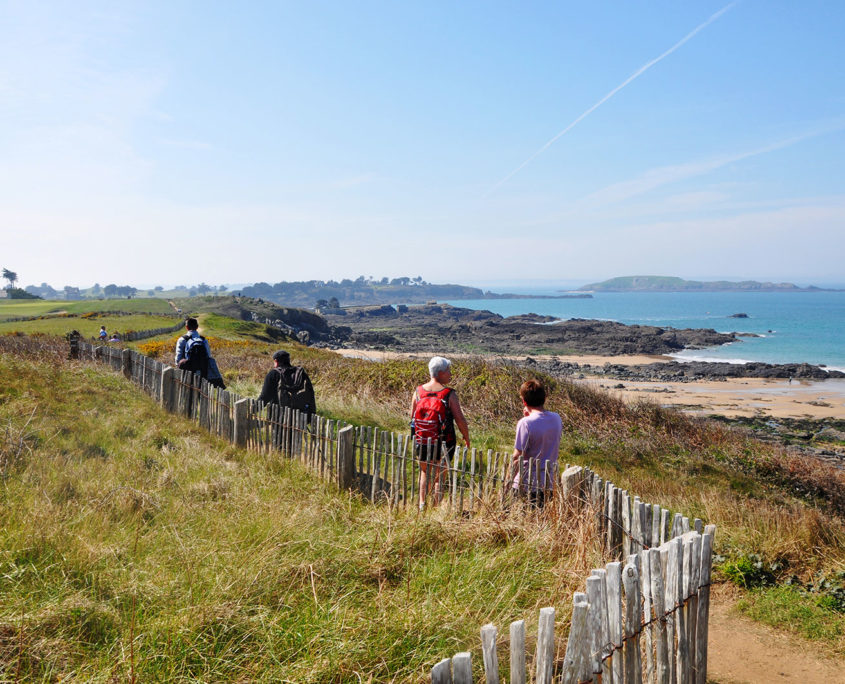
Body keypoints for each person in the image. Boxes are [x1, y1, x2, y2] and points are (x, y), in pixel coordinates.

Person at [411, 356, 470, 509]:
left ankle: (422, 504)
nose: (450, 374)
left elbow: (412, 417)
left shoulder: (418, 391)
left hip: (422, 439)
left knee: (424, 472)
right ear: (440, 373)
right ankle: (436, 508)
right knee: (439, 477)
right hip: (444, 441)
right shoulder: (448, 394)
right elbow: (460, 419)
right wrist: (466, 436)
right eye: (448, 371)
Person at [510, 378, 562, 507]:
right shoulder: (556, 418)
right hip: (549, 481)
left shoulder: (525, 423)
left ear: (524, 401)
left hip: (527, 482)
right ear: (544, 399)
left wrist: (508, 482)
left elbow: (518, 455)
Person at [257, 350, 316, 417]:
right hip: (299, 416)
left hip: (279, 416)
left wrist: (253, 409)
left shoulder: (273, 374)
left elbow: (265, 397)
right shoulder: (301, 374)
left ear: (276, 361)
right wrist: (312, 414)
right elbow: (311, 394)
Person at [175, 317, 225, 388]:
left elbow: (178, 357)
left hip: (187, 371)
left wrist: (179, 366)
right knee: (201, 390)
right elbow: (208, 355)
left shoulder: (182, 339)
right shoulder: (203, 340)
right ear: (197, 327)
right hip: (202, 369)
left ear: (186, 327)